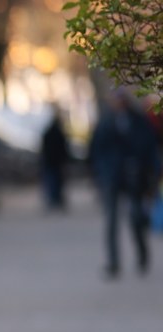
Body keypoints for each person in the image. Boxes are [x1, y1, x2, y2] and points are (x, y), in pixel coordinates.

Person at [88, 89, 161, 279]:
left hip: (134, 177)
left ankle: (142, 255)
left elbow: (149, 147)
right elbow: (96, 150)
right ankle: (113, 262)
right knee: (111, 221)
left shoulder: (138, 120)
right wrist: (100, 174)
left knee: (135, 218)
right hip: (112, 177)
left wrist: (149, 173)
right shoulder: (106, 122)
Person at [39, 109, 70, 211]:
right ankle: (55, 199)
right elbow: (63, 148)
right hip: (55, 162)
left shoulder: (48, 133)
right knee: (55, 181)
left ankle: (53, 200)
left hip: (50, 161)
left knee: (51, 181)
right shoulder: (58, 133)